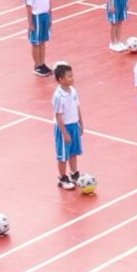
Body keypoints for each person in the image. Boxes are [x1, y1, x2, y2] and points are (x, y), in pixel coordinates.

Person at [52, 62, 86, 191]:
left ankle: (74, 173)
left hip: (74, 125)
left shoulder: (73, 91)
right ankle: (62, 178)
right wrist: (64, 133)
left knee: (73, 152)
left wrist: (81, 124)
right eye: (69, 76)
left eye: (72, 76)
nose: (72, 78)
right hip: (63, 128)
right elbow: (58, 116)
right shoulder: (58, 96)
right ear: (61, 80)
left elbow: (77, 107)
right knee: (63, 155)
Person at [23, 0, 53, 76]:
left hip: (45, 15)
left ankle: (42, 63)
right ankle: (37, 65)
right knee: (36, 42)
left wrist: (50, 16)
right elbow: (29, 7)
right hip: (36, 17)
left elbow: (49, 1)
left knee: (43, 41)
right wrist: (30, 23)